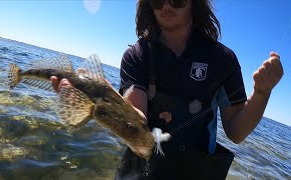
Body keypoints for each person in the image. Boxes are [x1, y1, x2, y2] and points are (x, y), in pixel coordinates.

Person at [51, 0, 284, 179]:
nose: (166, 6)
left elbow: (236, 131)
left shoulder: (223, 59)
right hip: (139, 165)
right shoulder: (137, 55)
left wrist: (262, 93)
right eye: (157, 1)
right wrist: (105, 99)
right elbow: (136, 113)